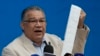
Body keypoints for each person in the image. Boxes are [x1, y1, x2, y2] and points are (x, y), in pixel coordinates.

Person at [2, 6, 90, 56]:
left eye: (42, 21)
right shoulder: (11, 50)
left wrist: (79, 26)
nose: (38, 25)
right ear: (22, 25)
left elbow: (75, 52)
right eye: (33, 21)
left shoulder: (55, 41)